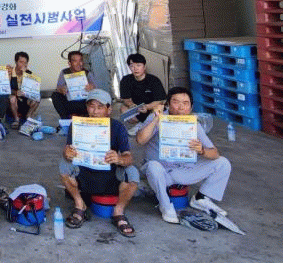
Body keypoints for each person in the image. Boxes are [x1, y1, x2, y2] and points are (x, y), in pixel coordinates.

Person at [136, 86, 232, 224]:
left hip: (182, 170)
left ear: (191, 107)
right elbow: (140, 140)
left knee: (222, 163)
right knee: (153, 166)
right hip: (161, 172)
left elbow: (214, 153)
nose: (181, 107)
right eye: (176, 102)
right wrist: (157, 119)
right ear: (167, 104)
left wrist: (202, 150)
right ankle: (165, 205)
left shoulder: (193, 124)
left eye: (185, 103)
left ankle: (201, 198)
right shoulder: (156, 118)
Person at [59, 89, 138, 237]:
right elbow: (67, 150)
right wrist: (67, 153)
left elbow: (128, 157)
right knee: (64, 164)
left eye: (100, 107)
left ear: (109, 109)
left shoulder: (117, 127)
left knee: (132, 172)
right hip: (83, 175)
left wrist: (119, 159)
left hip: (110, 177)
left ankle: (118, 212)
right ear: (87, 107)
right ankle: (80, 205)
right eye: (91, 106)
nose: (95, 111)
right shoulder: (77, 125)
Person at [120, 53, 166, 125]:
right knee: (123, 108)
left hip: (151, 107)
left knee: (159, 108)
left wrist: (147, 107)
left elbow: (160, 101)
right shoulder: (125, 80)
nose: (135, 69)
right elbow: (126, 99)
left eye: (138, 65)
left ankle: (151, 123)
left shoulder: (154, 80)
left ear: (144, 67)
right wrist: (132, 105)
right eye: (132, 66)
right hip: (136, 109)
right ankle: (137, 123)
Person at [51, 51, 96, 120]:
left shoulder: (87, 73)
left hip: (84, 103)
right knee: (55, 95)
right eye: (75, 61)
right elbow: (58, 87)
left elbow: (96, 89)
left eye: (80, 61)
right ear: (69, 63)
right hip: (70, 102)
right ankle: (66, 119)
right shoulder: (64, 72)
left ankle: (85, 116)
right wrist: (62, 90)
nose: (79, 64)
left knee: (95, 98)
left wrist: (92, 87)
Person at [8, 51, 40, 129]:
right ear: (16, 62)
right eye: (21, 62)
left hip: (25, 101)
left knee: (37, 97)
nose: (23, 65)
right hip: (13, 103)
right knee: (12, 98)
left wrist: (26, 76)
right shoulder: (9, 72)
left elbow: (33, 91)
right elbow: (5, 89)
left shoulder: (29, 73)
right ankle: (16, 119)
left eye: (25, 63)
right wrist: (15, 92)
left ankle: (29, 116)